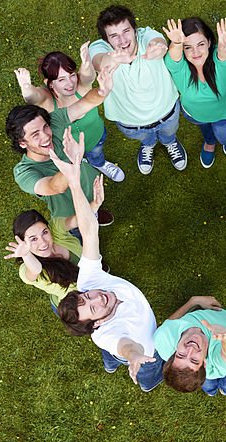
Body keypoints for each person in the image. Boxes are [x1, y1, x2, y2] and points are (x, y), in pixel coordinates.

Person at [51, 128, 164, 392]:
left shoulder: (90, 282)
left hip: (119, 345)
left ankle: (111, 363)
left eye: (86, 297)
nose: (96, 297)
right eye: (92, 308)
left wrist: (75, 180)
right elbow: (127, 345)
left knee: (111, 357)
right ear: (98, 324)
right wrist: (134, 357)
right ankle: (133, 373)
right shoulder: (109, 334)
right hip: (139, 356)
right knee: (137, 367)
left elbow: (89, 231)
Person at [7, 69, 115, 238]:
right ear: (22, 143)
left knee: (95, 204)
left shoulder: (55, 121)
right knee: (84, 236)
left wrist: (103, 91)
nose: (46, 136)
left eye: (45, 127)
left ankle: (96, 211)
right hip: (71, 212)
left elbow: (86, 102)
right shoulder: (23, 173)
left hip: (89, 185)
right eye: (35, 135)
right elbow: (55, 187)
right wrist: (74, 160)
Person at [89, 4, 187, 174]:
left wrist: (158, 48)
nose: (122, 40)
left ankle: (169, 142)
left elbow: (158, 42)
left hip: (167, 113)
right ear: (106, 40)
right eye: (114, 36)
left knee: (169, 134)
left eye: (126, 31)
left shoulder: (146, 35)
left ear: (135, 29)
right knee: (146, 140)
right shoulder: (99, 49)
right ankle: (148, 146)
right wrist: (114, 60)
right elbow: (99, 61)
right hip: (131, 124)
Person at [14, 43, 125, 182]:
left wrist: (86, 63)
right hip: (68, 148)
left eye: (71, 75)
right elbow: (32, 97)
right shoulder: (46, 99)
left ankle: (99, 163)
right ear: (50, 83)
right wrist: (26, 87)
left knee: (96, 153)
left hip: (96, 137)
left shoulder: (81, 85)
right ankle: (82, 161)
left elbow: (88, 76)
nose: (70, 83)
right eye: (61, 79)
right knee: (75, 161)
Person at [161, 17, 226, 168]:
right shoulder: (180, 68)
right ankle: (209, 142)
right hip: (195, 114)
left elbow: (224, 54)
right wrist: (176, 43)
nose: (195, 52)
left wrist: (224, 45)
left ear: (209, 43)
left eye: (201, 44)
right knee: (206, 131)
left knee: (225, 138)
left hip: (224, 113)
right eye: (188, 47)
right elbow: (174, 57)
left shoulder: (220, 61)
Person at [4, 193, 102, 311]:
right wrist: (26, 254)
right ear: (23, 243)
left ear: (49, 228)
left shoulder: (55, 229)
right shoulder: (27, 268)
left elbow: (78, 219)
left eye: (44, 232)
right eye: (33, 239)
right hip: (75, 305)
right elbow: (36, 269)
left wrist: (95, 205)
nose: (43, 243)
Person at [153, 296, 226, 396]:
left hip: (206, 373)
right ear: (205, 364)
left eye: (181, 355)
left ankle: (210, 391)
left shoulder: (162, 339)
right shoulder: (217, 362)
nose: (190, 349)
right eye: (194, 360)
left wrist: (193, 301)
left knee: (207, 381)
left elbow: (170, 324)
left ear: (174, 353)